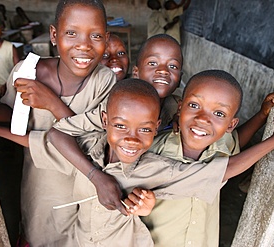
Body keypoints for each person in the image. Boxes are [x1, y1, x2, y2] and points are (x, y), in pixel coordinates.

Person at [0, 0, 115, 245]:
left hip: (89, 185)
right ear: (54, 35)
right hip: (42, 183)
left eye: (95, 35)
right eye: (71, 33)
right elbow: (14, 112)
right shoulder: (27, 71)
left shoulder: (105, 81)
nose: (84, 45)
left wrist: (51, 102)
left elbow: (89, 143)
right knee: (40, 234)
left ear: (106, 39)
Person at [43, 78, 229, 246]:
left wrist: (145, 206)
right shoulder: (92, 146)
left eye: (145, 130)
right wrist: (95, 176)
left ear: (156, 128)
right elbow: (56, 134)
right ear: (105, 120)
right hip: (82, 239)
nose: (131, 139)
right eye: (121, 126)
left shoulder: (152, 165)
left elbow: (216, 172)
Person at [141, 70, 274, 247]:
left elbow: (235, 143)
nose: (203, 119)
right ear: (180, 108)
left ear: (230, 124)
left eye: (219, 113)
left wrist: (262, 115)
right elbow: (226, 169)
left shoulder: (219, 145)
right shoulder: (154, 153)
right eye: (195, 105)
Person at [132, 34, 183, 131]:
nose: (163, 70)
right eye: (152, 63)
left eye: (172, 66)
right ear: (136, 73)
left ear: (180, 78)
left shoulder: (180, 109)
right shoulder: (120, 104)